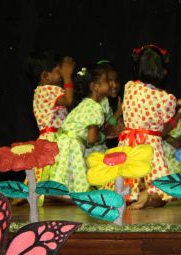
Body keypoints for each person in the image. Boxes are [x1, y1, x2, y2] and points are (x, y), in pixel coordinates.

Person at [119, 44, 181, 208]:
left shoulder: (129, 87)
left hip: (129, 144)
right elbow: (164, 130)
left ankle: (136, 195)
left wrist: (178, 102)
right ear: (162, 71)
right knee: (162, 191)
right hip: (150, 146)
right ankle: (149, 196)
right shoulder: (166, 98)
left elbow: (146, 101)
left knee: (129, 182)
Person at [49, 63, 112, 193]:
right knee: (78, 183)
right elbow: (91, 139)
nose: (111, 84)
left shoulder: (84, 103)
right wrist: (103, 136)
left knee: (63, 175)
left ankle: (60, 194)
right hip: (72, 145)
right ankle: (75, 195)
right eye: (107, 81)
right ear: (95, 87)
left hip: (62, 141)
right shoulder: (95, 107)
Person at [27, 50, 75, 181]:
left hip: (48, 138)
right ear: (45, 76)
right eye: (59, 71)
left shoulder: (40, 91)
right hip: (54, 140)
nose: (62, 75)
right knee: (58, 170)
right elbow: (68, 100)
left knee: (49, 173)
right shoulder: (49, 90)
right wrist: (67, 76)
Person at [84, 60, 123, 156]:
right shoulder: (96, 104)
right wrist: (118, 113)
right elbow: (98, 134)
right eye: (109, 81)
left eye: (116, 80)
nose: (114, 85)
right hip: (91, 155)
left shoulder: (105, 102)